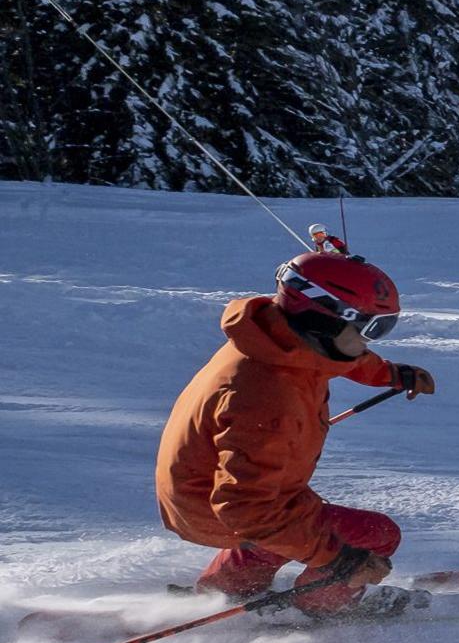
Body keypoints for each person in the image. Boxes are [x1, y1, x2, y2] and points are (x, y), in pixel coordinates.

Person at [156, 251, 436, 617]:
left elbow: (335, 357)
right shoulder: (268, 395)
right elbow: (247, 509)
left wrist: (390, 374)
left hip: (206, 489)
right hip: (219, 505)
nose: (372, 341)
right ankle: (320, 604)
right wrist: (338, 558)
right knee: (376, 534)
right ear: (324, 319)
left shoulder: (277, 340)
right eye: (371, 328)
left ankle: (226, 588)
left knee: (292, 520)